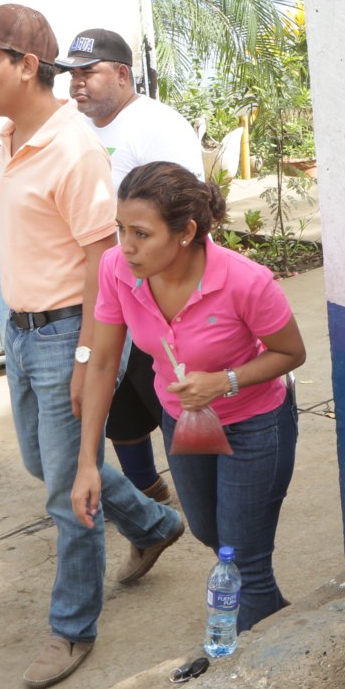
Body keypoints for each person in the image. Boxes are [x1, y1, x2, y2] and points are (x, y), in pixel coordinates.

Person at [0, 4, 184, 689]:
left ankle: (73, 626)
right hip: (23, 332)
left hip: (65, 332)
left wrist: (86, 358)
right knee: (41, 460)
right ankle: (153, 523)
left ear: (26, 66)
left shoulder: (73, 149)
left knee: (64, 488)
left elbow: (102, 259)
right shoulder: (11, 135)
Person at [72, 161, 305, 635]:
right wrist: (87, 464)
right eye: (121, 229)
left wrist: (225, 381)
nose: (126, 246)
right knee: (209, 531)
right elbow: (102, 363)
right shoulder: (118, 270)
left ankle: (248, 662)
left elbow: (291, 353)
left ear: (186, 233)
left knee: (242, 558)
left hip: (255, 422)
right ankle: (278, 620)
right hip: (183, 420)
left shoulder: (246, 280)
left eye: (141, 234)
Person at [58, 27, 204, 506]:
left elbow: (189, 210)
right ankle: (148, 490)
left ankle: (199, 488)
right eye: (72, 75)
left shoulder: (157, 125)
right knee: (117, 404)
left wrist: (176, 289)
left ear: (122, 74)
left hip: (159, 290)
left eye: (89, 72)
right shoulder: (74, 129)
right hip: (110, 288)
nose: (77, 83)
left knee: (168, 392)